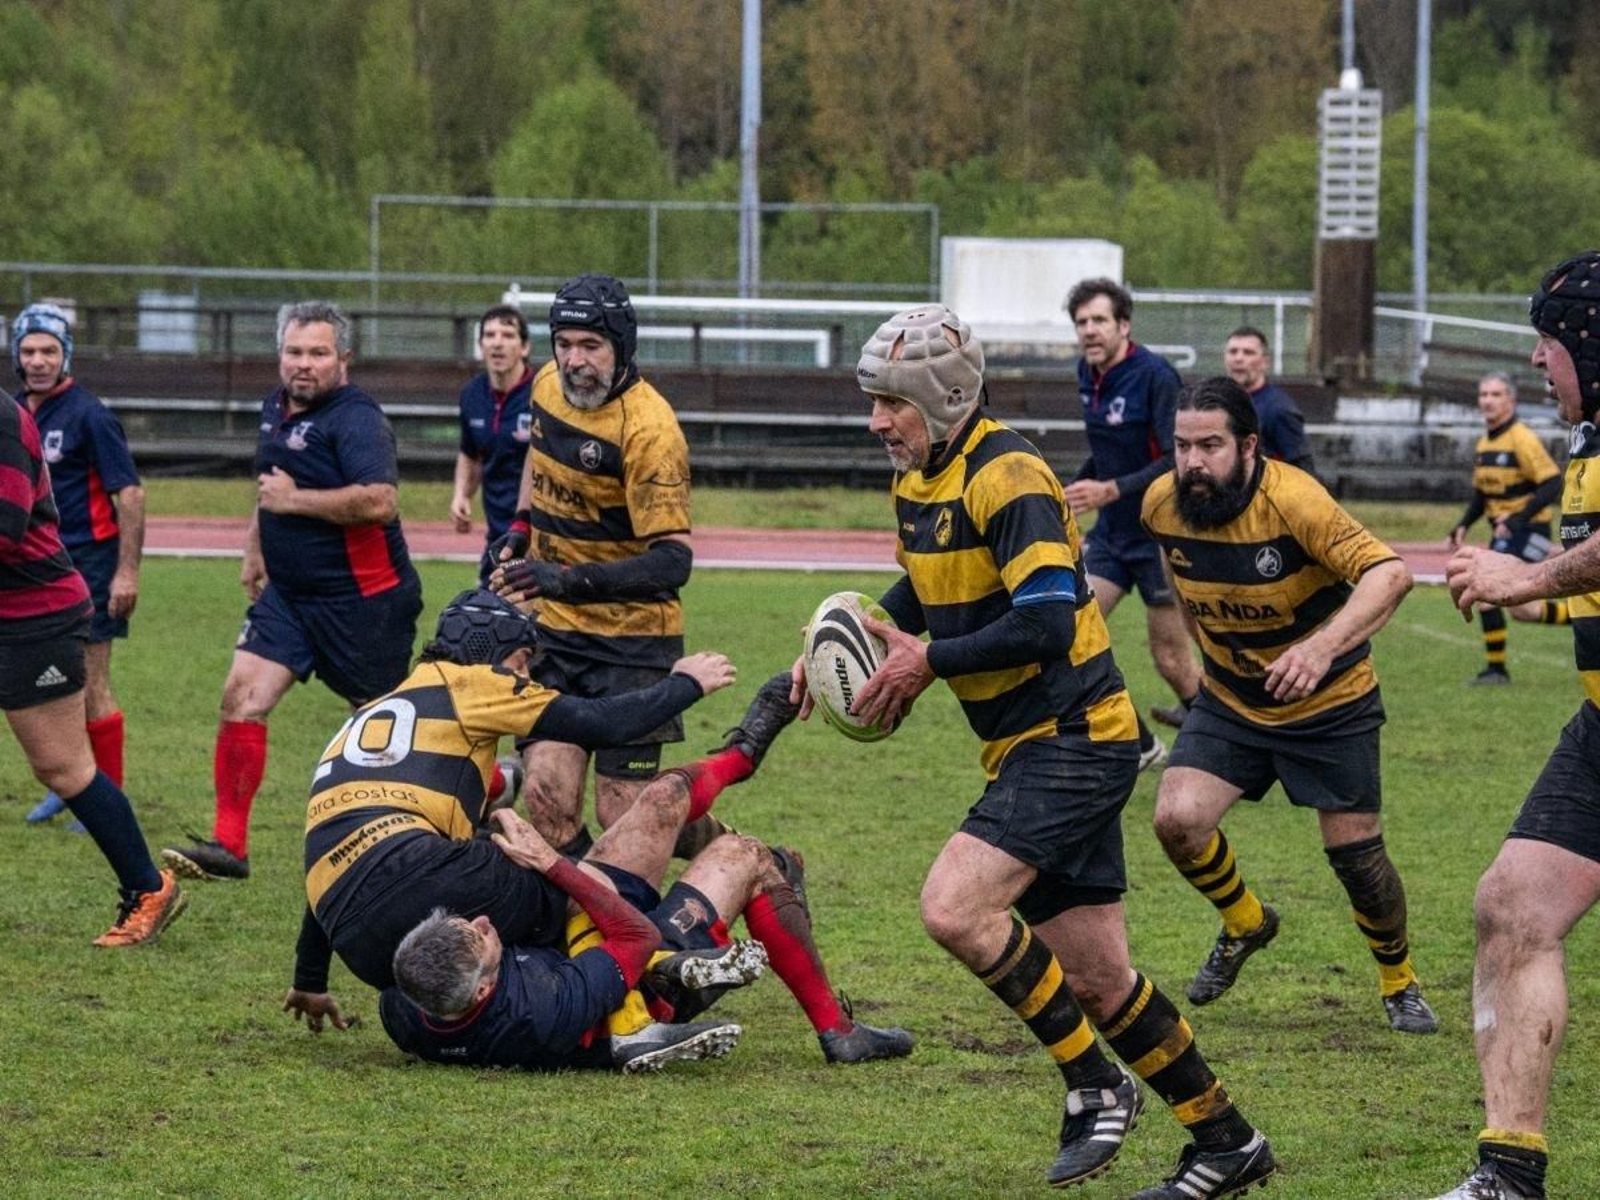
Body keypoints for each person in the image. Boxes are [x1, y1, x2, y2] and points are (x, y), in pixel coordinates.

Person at [792, 305, 1274, 1197]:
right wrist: (847, 638)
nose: (875, 421)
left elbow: (1050, 620)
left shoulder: (1008, 472)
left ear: (939, 399)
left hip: (1075, 739)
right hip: (1028, 746)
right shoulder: (919, 481)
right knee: (1098, 980)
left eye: (889, 403)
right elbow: (929, 583)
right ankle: (1227, 1142)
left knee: (953, 907)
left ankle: (1094, 1083)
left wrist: (927, 661)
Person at [277, 588, 906, 1066]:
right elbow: (599, 722)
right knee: (573, 885)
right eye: (522, 664)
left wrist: (310, 979)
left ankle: (657, 976)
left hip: (358, 933)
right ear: (492, 655)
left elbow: (333, 872)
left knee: (564, 874)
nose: (523, 678)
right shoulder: (470, 683)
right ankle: (641, 1003)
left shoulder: (387, 713)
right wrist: (686, 684)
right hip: (421, 882)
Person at [1141, 376, 1437, 1038]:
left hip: (1330, 703)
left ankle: (1399, 979)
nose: (1193, 462)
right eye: (1183, 446)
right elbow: (1177, 576)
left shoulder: (1296, 500)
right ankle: (1246, 922)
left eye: (1210, 445)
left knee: (1357, 859)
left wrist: (1320, 649)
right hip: (1232, 701)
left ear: (1249, 444)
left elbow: (1391, 574)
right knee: (1176, 820)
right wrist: (1203, 664)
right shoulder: (1163, 503)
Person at [1437, 251, 1600, 1200]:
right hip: (1598, 731)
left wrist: (1527, 577)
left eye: (1549, 341)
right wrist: (1538, 604)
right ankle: (1509, 1172)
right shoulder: (1586, 437)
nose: (1538, 362)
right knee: (1511, 908)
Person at [162, 301, 423, 882]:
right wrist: (257, 543)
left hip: (364, 602)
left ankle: (469, 804)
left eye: (318, 353)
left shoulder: (356, 419)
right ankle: (230, 846)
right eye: (294, 352)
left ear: (344, 359)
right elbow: (270, 485)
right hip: (290, 597)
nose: (303, 365)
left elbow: (380, 500)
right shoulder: (275, 406)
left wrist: (293, 503)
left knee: (386, 734)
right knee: (241, 697)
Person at [380, 806, 913, 1072]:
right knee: (749, 856)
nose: (483, 923)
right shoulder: (546, 1008)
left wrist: (311, 980)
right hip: (638, 978)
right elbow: (634, 934)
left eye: (465, 923)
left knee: (658, 803)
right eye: (481, 940)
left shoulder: (403, 1006)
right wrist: (550, 862)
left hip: (588, 948)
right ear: (480, 992)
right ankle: (838, 1030)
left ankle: (671, 964)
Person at [486, 274, 709, 857]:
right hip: (556, 635)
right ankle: (594, 914)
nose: (574, 361)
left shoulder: (651, 431)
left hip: (631, 644)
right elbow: (541, 461)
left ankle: (748, 858)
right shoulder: (545, 387)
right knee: (546, 795)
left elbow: (672, 562)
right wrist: (517, 529)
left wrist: (561, 579)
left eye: (591, 347)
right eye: (565, 344)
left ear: (622, 346)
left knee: (625, 813)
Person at [0, 387, 185, 945]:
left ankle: (147, 887)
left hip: (33, 617)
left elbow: (5, 528)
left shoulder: (3, 419)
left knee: (62, 768)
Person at [11, 304, 144, 828]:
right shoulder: (17, 410)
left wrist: (126, 572)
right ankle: (68, 790)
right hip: (32, 574)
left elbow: (129, 494)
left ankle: (103, 799)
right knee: (48, 688)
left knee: (91, 684)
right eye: (28, 351)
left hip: (87, 567)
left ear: (67, 354)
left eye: (49, 350)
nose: (39, 360)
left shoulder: (90, 414)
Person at [1063, 278, 1200, 754]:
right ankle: (1140, 746)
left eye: (1099, 320)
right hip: (1112, 538)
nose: (1089, 331)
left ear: (1124, 325)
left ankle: (1216, 744)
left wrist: (1112, 489)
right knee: (1071, 632)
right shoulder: (1087, 372)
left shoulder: (1156, 376)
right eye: (1081, 322)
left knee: (1171, 659)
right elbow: (1107, 450)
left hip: (1158, 538)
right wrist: (1069, 493)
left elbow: (1176, 460)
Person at [1445, 371, 1565, 686]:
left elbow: (1553, 482)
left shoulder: (1521, 438)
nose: (1488, 400)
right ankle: (1586, 619)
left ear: (1511, 401)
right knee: (1524, 611)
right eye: (1483, 394)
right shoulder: (1486, 442)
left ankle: (1496, 671)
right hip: (1509, 534)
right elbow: (1482, 495)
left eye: (1496, 394)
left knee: (1485, 586)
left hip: (1532, 533)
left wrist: (1517, 519)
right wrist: (1462, 525)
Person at [449, 304, 535, 582]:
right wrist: (461, 495)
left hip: (541, 539)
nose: (497, 343)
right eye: (490, 335)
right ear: (480, 345)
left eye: (508, 335)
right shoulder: (472, 394)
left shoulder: (544, 394)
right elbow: (469, 453)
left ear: (524, 347)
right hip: (497, 537)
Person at [1221, 326, 1316, 476]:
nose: (1238, 358)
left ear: (1265, 362)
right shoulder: (1217, 402)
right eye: (1233, 351)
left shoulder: (1278, 409)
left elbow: (1303, 469)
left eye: (1248, 352)